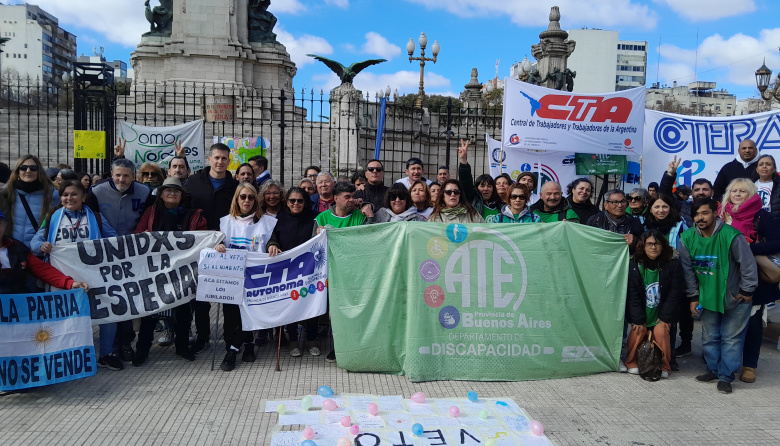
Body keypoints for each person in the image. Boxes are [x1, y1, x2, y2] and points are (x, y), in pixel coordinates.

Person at [28, 181, 119, 370]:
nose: (69, 198)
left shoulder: (96, 216)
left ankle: (106, 354)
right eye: (65, 195)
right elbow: (35, 240)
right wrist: (40, 246)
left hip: (93, 275)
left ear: (84, 197)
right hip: (61, 277)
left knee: (108, 313)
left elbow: (114, 240)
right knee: (63, 318)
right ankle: (67, 355)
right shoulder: (52, 217)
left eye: (74, 194)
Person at [679, 198, 758, 394]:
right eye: (696, 214)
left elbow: (748, 265)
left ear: (716, 213)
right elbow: (688, 273)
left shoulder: (732, 236)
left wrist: (747, 291)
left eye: (705, 213)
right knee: (709, 338)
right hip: (707, 298)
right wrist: (693, 298)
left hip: (736, 298)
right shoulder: (686, 238)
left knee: (732, 340)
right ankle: (713, 370)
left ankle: (725, 377)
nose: (700, 218)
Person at [132, 177, 208, 365]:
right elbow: (138, 235)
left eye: (176, 190)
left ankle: (182, 347)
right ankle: (142, 349)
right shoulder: (151, 213)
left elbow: (202, 237)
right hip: (155, 271)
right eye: (168, 190)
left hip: (182, 271)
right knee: (151, 310)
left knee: (183, 311)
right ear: (161, 194)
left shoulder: (194, 215)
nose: (172, 193)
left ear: (182, 195)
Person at [86, 158, 151, 362]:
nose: (121, 179)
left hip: (133, 252)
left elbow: (149, 218)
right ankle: (111, 343)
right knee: (110, 298)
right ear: (111, 175)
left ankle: (126, 342)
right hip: (105, 253)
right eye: (117, 175)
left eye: (126, 176)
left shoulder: (145, 192)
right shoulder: (96, 192)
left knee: (129, 297)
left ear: (134, 176)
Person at [717, 178, 780, 384]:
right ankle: (727, 363)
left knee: (752, 324)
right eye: (734, 190)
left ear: (751, 194)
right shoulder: (722, 215)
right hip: (726, 277)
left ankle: (749, 366)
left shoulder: (762, 216)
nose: (737, 194)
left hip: (755, 280)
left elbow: (776, 243)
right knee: (727, 323)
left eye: (743, 191)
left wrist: (746, 249)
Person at [215, 184, 277, 371]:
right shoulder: (225, 222)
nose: (247, 201)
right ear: (237, 199)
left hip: (255, 277)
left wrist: (272, 244)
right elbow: (216, 241)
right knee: (231, 316)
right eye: (243, 197)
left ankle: (235, 350)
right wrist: (217, 245)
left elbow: (273, 239)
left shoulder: (266, 221)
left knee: (248, 313)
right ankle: (242, 344)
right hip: (231, 276)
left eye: (251, 197)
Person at [184, 143, 239, 355]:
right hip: (199, 244)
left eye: (224, 158)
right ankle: (203, 336)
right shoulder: (193, 182)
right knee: (201, 296)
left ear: (228, 161)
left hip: (226, 246)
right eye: (216, 158)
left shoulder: (234, 187)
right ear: (209, 159)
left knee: (228, 296)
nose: (220, 162)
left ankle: (229, 338)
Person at [314, 181, 375, 364]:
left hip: (355, 273)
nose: (351, 200)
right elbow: (313, 248)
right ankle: (337, 347)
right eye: (346, 197)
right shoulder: (322, 218)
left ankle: (355, 346)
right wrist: (318, 235)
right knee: (336, 313)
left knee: (354, 311)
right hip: (331, 274)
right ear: (335, 198)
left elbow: (370, 239)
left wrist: (370, 217)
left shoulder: (360, 216)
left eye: (352, 196)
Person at [267, 187, 321, 357]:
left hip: (310, 270)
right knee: (289, 306)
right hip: (287, 271)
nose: (296, 204)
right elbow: (272, 238)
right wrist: (272, 245)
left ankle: (312, 340)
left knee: (312, 304)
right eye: (292, 201)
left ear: (305, 203)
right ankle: (293, 341)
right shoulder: (279, 219)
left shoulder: (314, 219)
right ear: (287, 202)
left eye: (300, 200)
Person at [624, 230, 684, 379]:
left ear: (663, 246)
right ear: (643, 247)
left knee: (661, 332)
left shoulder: (673, 264)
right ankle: (631, 362)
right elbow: (633, 296)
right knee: (638, 330)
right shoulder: (634, 265)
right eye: (649, 244)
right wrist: (637, 319)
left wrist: (665, 318)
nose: (653, 247)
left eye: (657, 244)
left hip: (661, 313)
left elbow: (675, 293)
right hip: (642, 312)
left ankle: (664, 366)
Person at [0, 155, 59, 250]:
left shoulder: (52, 195)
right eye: (23, 168)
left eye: (33, 168)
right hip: (13, 251)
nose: (28, 171)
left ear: (39, 171)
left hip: (39, 251)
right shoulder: (6, 193)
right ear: (17, 171)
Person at [660, 156, 715, 227]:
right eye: (697, 190)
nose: (701, 192)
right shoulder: (682, 207)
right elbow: (664, 196)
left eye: (705, 189)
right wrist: (669, 175)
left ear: (712, 192)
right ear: (692, 193)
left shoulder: (721, 210)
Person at [456, 139, 502, 218]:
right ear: (476, 187)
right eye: (482, 186)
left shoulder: (501, 206)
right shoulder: (472, 201)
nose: (486, 189)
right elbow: (466, 181)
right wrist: (463, 160)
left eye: (489, 186)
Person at [752, 154, 780, 224]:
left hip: (774, 223)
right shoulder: (749, 185)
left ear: (774, 169)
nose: (764, 166)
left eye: (768, 164)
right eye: (761, 164)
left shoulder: (778, 185)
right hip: (753, 223)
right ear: (757, 169)